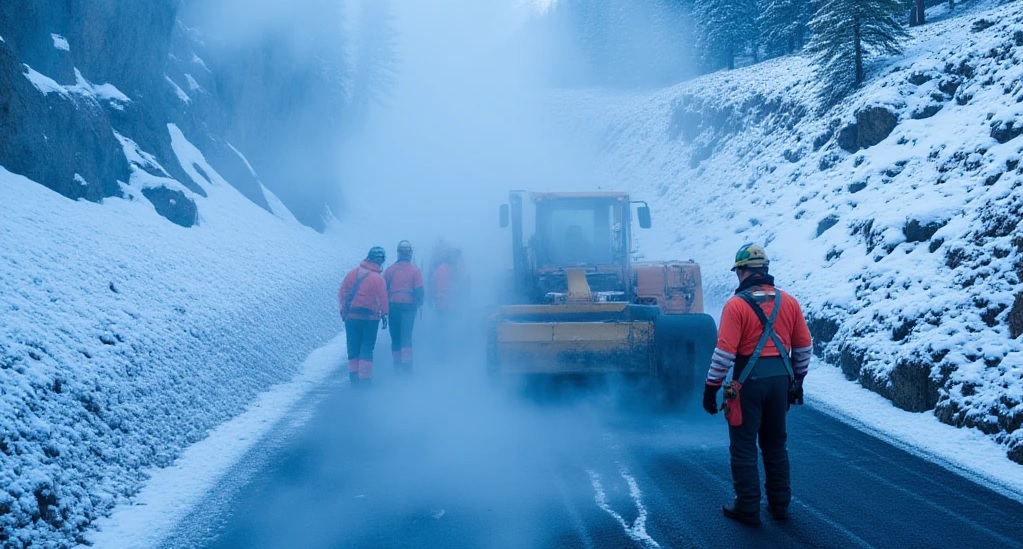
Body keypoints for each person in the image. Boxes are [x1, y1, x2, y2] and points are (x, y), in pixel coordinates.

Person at [702, 243, 813, 526]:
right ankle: (780, 505)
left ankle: (748, 507)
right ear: (765, 270)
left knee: (743, 446)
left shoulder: (736, 305)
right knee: (775, 445)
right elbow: (803, 347)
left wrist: (712, 387)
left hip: (746, 385)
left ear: (741, 272)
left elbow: (725, 354)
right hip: (780, 383)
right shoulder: (789, 302)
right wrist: (797, 380)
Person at [337, 246, 389, 387]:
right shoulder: (378, 279)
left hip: (351, 317)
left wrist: (343, 310)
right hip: (370, 319)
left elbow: (342, 293)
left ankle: (354, 377)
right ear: (380, 261)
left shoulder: (352, 274)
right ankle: (365, 379)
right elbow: (383, 299)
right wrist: (384, 314)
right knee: (366, 347)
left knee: (353, 346)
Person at [383, 240, 424, 373]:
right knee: (406, 336)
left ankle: (397, 364)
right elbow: (419, 290)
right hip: (409, 307)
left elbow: (383, 288)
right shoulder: (415, 271)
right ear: (410, 254)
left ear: (399, 253)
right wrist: (420, 302)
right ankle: (407, 367)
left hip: (393, 305)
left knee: (395, 336)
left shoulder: (390, 270)